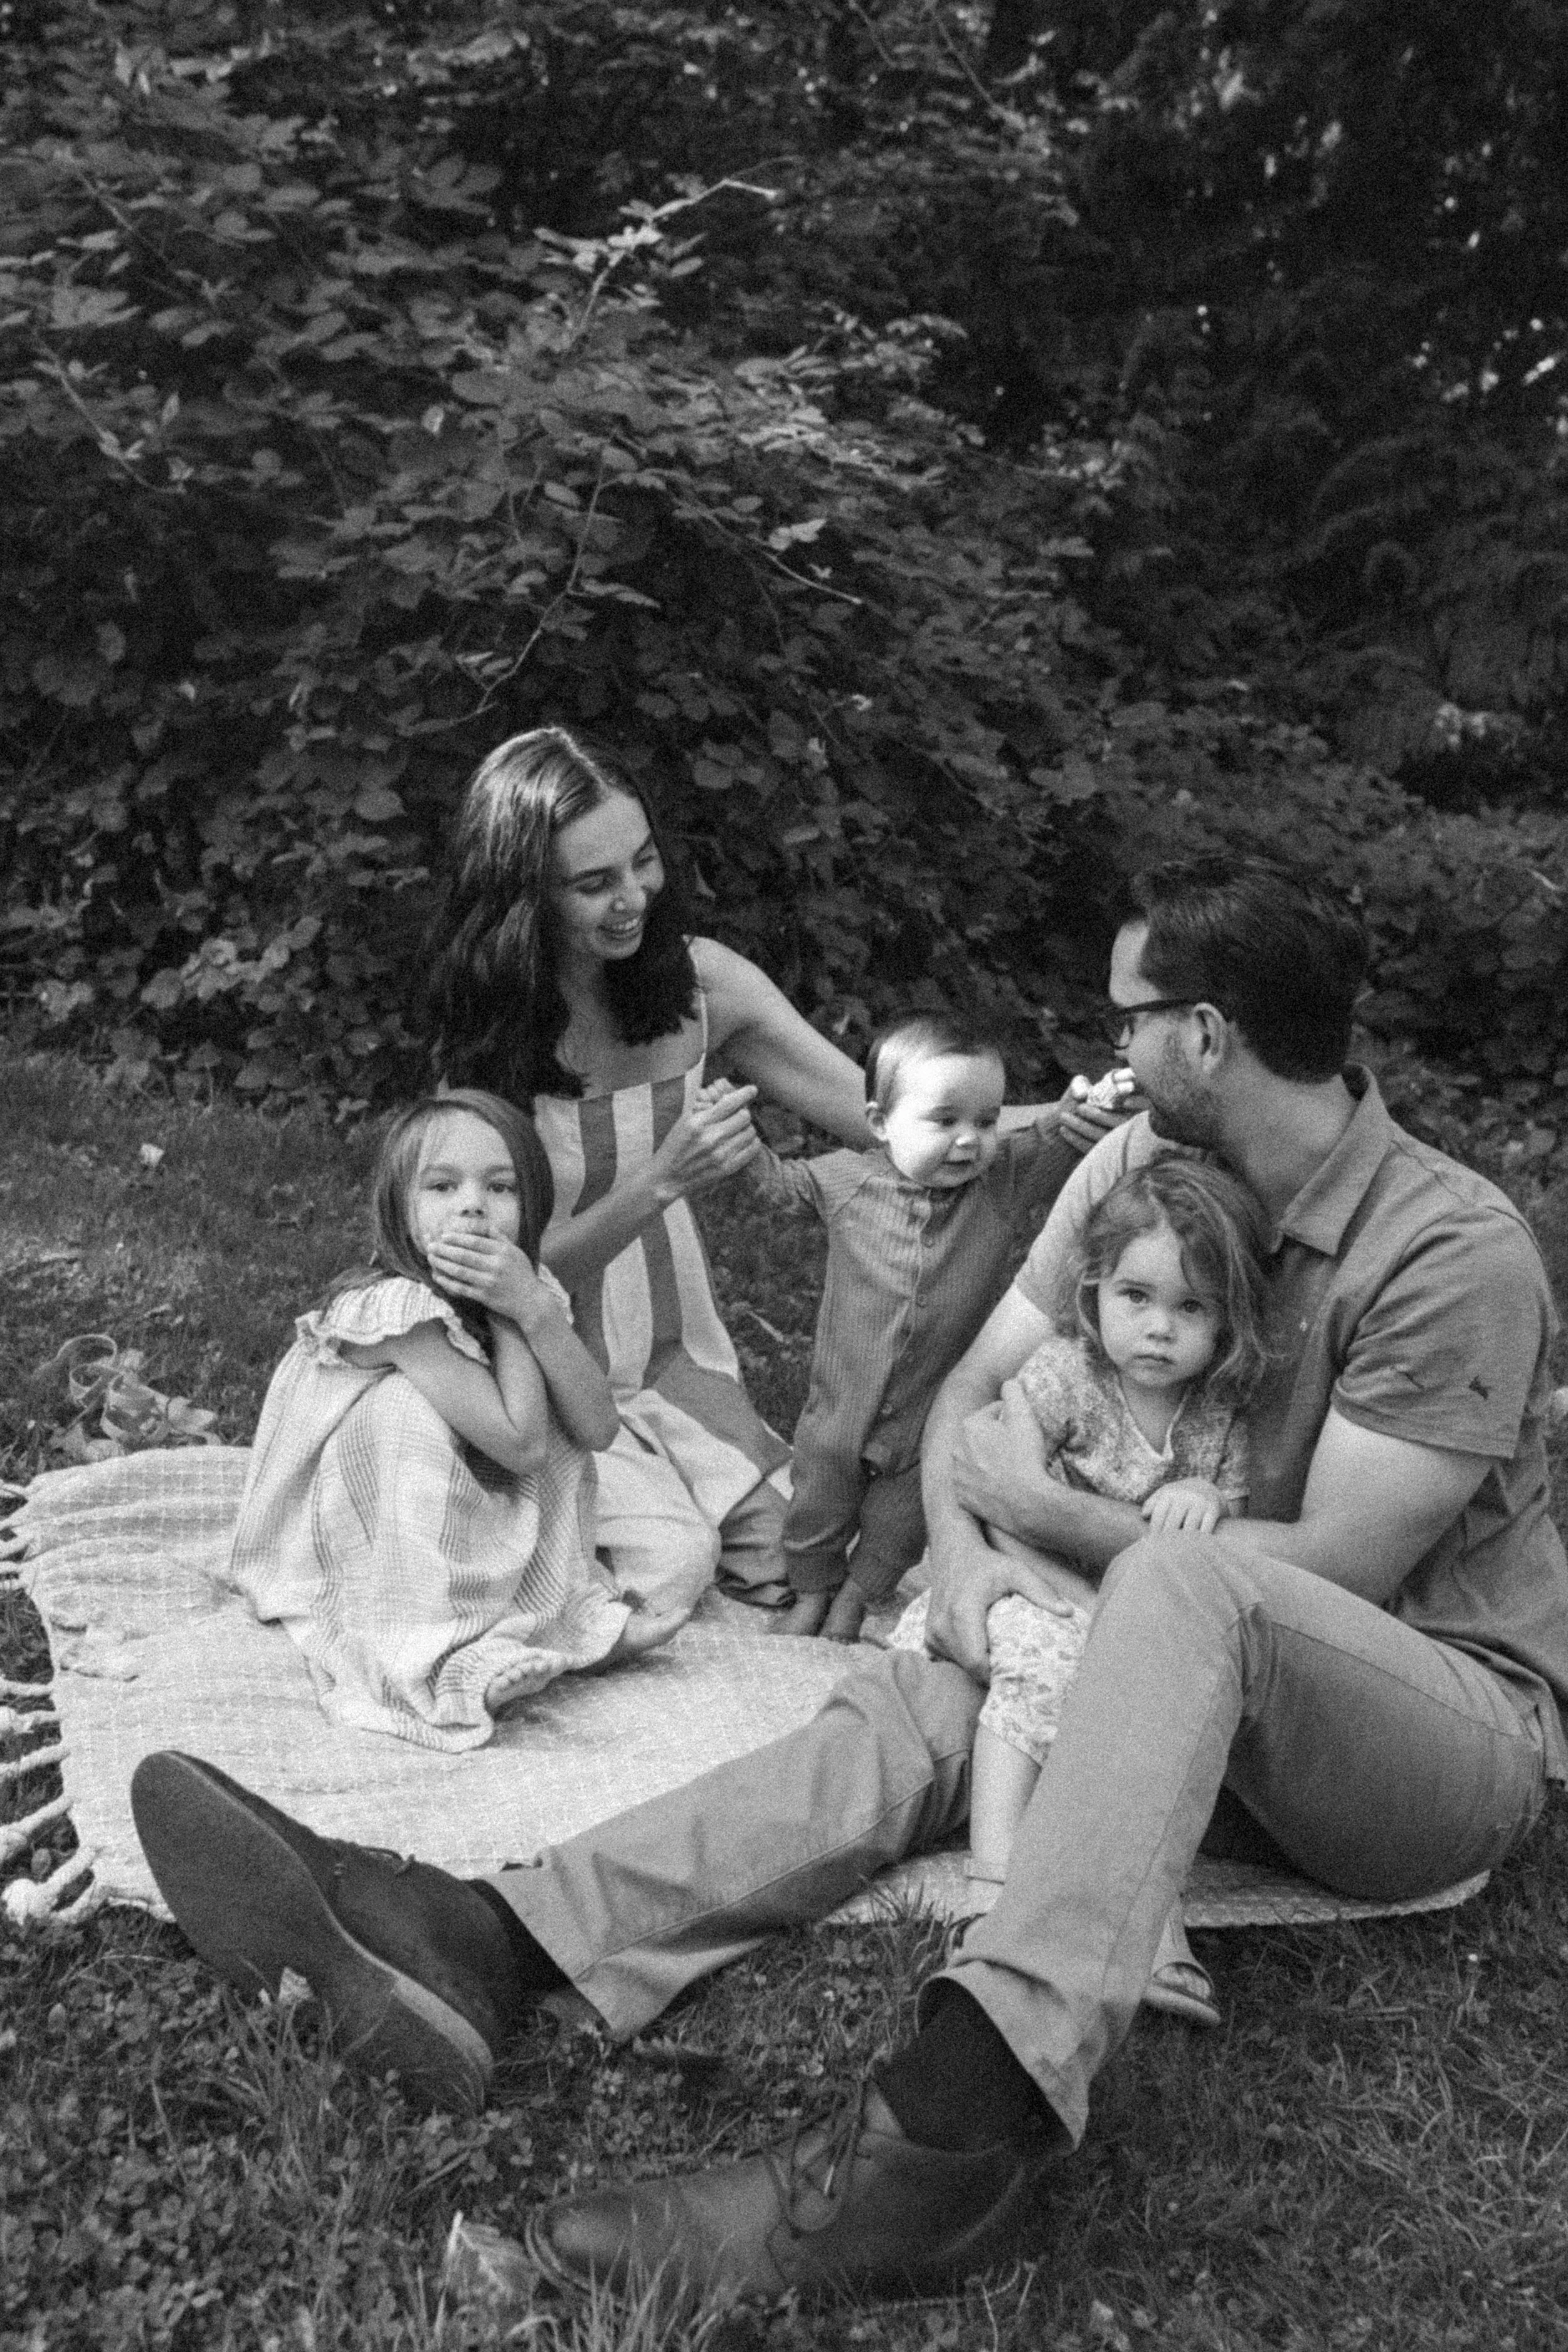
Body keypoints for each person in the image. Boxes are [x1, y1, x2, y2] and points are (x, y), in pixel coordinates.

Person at [131, 857, 1568, 2306]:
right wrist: (971, 1559)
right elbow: (969, 1399)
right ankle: (494, 1938)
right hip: (1155, 1667)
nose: (1111, 1047)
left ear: (1205, 1034)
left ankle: (948, 2140)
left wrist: (1037, 1512)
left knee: (1180, 1591)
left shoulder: (1447, 1248)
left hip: (1427, 1740)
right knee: (927, 1702)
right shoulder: (1132, 1170)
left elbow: (1334, 1569)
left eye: (1130, 1016)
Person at [889, 1154, 1269, 2023]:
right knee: (1039, 1665)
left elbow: (1230, 1527)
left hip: (1132, 1619)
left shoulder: (1214, 1421)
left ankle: (1149, 1921)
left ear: (1226, 1321)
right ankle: (993, 1884)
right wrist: (1077, 1599)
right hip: (1033, 1583)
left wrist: (1204, 1496)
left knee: (1155, 1715)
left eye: (1191, 1307)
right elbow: (1004, 1499)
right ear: (1094, 1290)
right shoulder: (1062, 1378)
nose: (1160, 1328)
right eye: (1136, 1297)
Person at [227, 1092, 682, 1751]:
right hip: (362, 1534)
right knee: (404, 1408)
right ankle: (443, 1659)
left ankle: (566, 1621)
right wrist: (512, 1312)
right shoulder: (393, 1311)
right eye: (442, 1186)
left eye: (500, 1188)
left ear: (529, 1211)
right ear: (401, 1210)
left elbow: (597, 1429)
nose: (473, 1204)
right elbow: (519, 1444)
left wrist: (534, 1311)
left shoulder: (527, 1289)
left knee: (554, 1403)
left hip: (463, 1498)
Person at [749, 1013, 1106, 1642]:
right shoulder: (845, 1181)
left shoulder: (1001, 1182)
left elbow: (1062, 1139)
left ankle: (856, 1601)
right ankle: (810, 1592)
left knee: (900, 1522)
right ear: (881, 1123)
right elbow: (775, 1188)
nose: (970, 1140)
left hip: (932, 1410)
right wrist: (738, 1145)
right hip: (841, 1404)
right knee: (817, 1503)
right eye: (945, 1121)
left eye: (988, 1120)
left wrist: (1094, 1105)